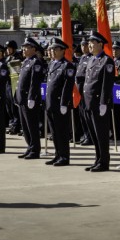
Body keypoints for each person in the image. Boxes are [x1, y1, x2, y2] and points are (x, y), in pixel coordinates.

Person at [83, 31, 115, 172]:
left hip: (98, 103)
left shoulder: (106, 61)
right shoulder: (91, 59)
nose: (90, 45)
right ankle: (97, 159)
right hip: (89, 103)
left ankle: (104, 162)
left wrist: (104, 102)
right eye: (89, 43)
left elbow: (106, 84)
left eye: (92, 43)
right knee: (94, 135)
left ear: (100, 44)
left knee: (101, 135)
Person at [45, 38, 76, 166]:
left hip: (60, 104)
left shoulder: (67, 65)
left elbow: (67, 86)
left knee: (62, 132)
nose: (52, 51)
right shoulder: (52, 64)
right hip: (51, 103)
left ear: (62, 51)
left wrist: (64, 103)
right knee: (54, 131)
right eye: (51, 49)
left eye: (55, 49)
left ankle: (64, 156)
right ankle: (57, 154)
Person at [14, 37, 45, 160]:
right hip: (22, 99)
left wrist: (31, 97)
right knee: (25, 126)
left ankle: (35, 150)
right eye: (23, 47)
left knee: (32, 126)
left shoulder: (36, 62)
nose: (24, 49)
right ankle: (30, 147)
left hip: (29, 99)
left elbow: (34, 82)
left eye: (26, 47)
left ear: (33, 49)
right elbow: (20, 82)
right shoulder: (26, 61)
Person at [75, 38, 93, 145]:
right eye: (82, 46)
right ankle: (85, 134)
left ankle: (90, 136)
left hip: (85, 88)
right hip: (79, 89)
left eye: (86, 45)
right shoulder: (82, 58)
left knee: (87, 114)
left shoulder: (91, 58)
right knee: (82, 114)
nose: (84, 48)